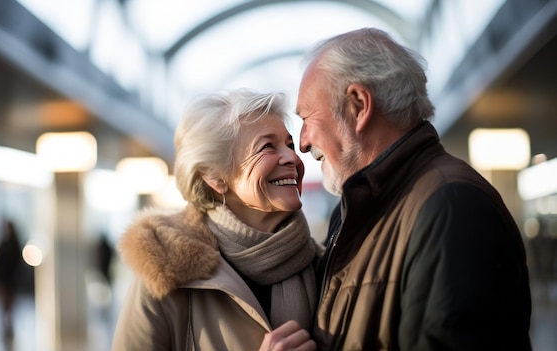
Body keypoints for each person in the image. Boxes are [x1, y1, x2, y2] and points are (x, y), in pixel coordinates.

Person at [295, 28, 532, 350]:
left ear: (359, 105)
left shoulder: (453, 207)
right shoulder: (363, 206)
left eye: (307, 117)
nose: (303, 142)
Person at [111, 88, 320, 351]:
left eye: (289, 145)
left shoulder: (327, 266)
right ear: (216, 178)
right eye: (267, 146)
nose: (292, 157)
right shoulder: (165, 273)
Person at [0, 219, 23, 339]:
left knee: (10, 298)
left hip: (11, 276)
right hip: (3, 276)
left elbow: (17, 260)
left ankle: (9, 318)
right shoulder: (3, 242)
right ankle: (4, 318)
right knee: (4, 297)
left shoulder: (14, 243)